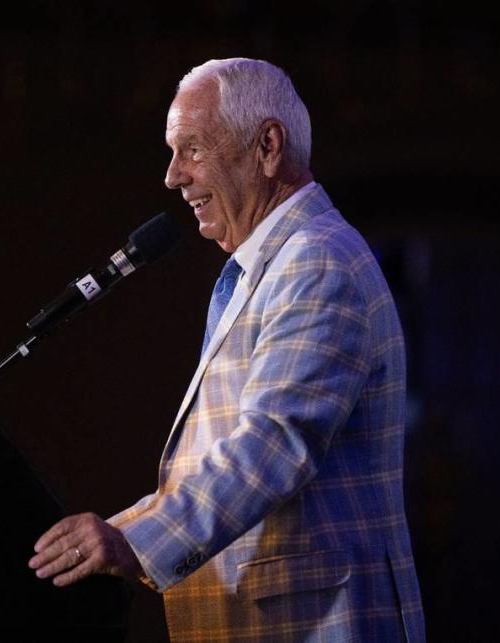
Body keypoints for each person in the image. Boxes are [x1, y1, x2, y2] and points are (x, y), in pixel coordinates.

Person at [29, 58, 425, 641]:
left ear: (267, 146)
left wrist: (132, 543)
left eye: (191, 149)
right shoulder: (273, 265)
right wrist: (99, 543)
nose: (171, 177)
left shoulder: (317, 260)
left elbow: (273, 443)